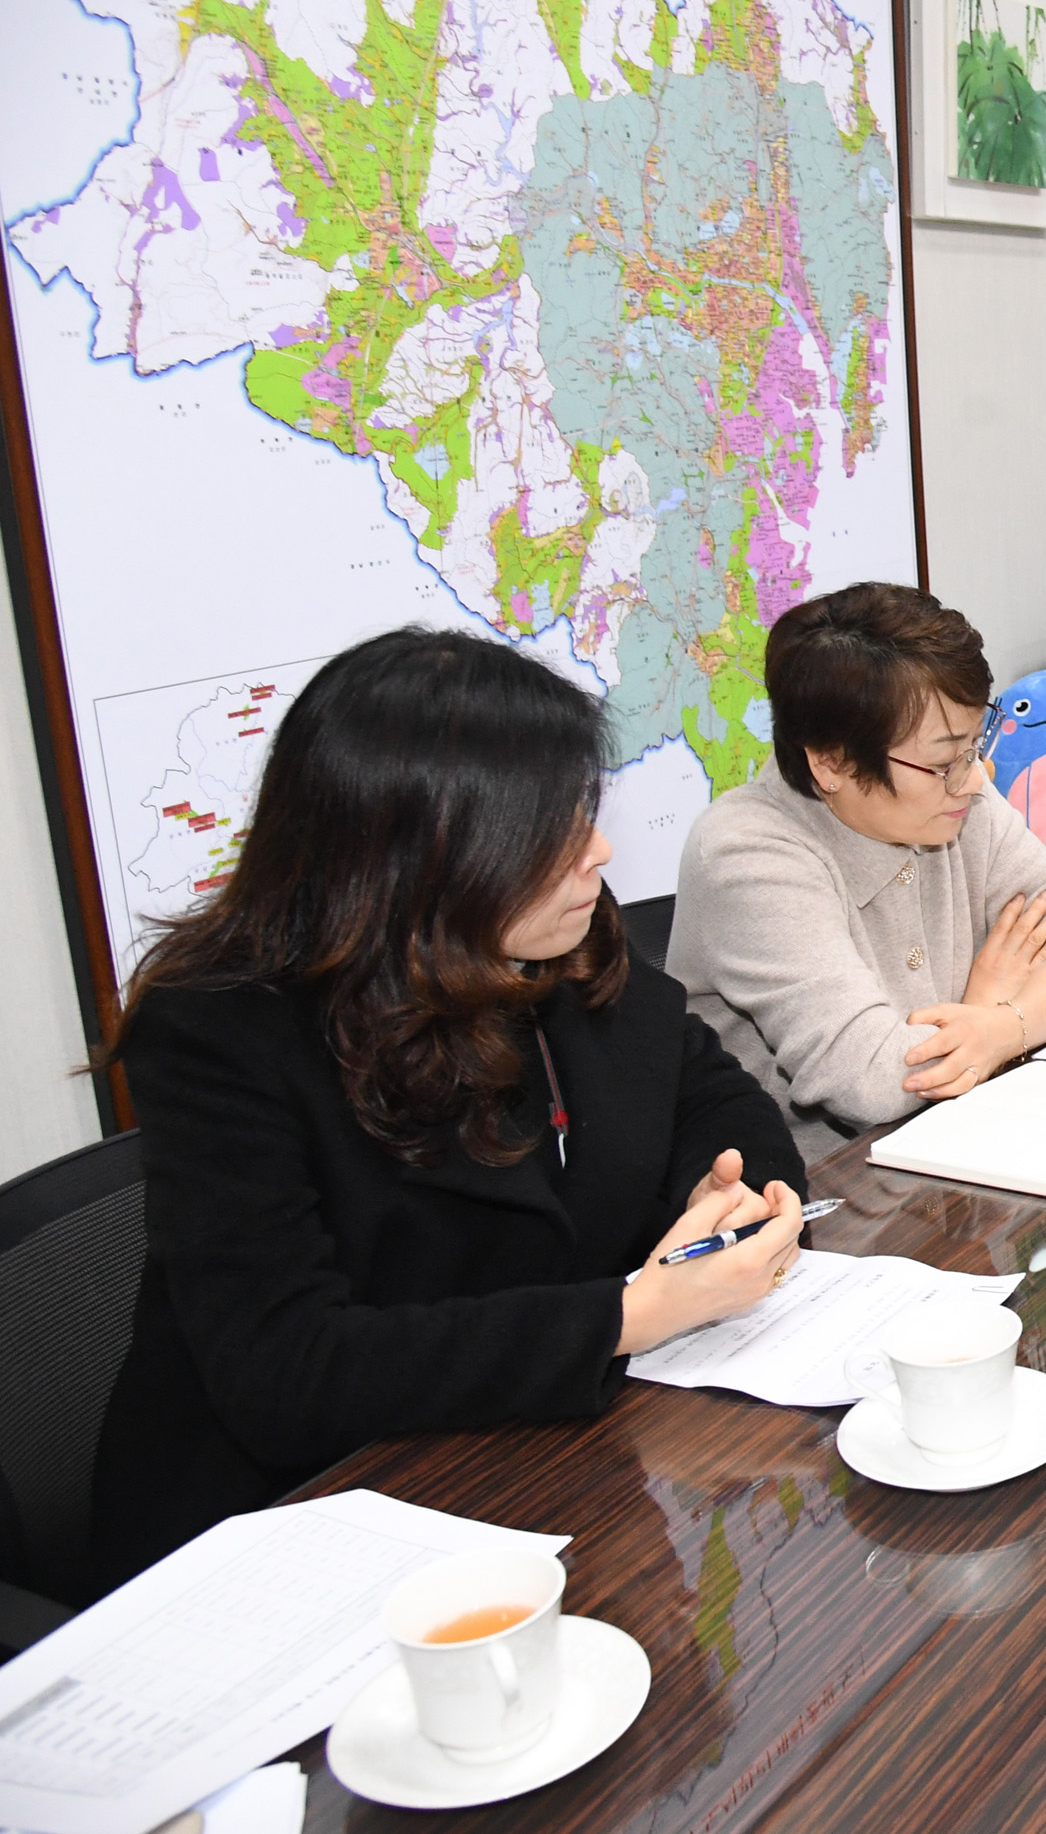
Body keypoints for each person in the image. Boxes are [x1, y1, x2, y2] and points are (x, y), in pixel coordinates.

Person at [96, 629, 809, 1589]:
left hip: (549, 1473)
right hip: (301, 1531)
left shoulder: (562, 942)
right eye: (551, 830)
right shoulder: (223, 1033)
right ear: (424, 857)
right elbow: (287, 1372)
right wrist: (625, 1316)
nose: (598, 851)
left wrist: (729, 1201)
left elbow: (712, 1095)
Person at [671, 583, 1046, 1160]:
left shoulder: (954, 796)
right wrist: (985, 1008)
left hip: (958, 1140)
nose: (973, 778)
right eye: (943, 760)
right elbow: (871, 1082)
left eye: (972, 745)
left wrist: (999, 1029)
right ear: (830, 762)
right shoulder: (746, 855)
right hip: (819, 1184)